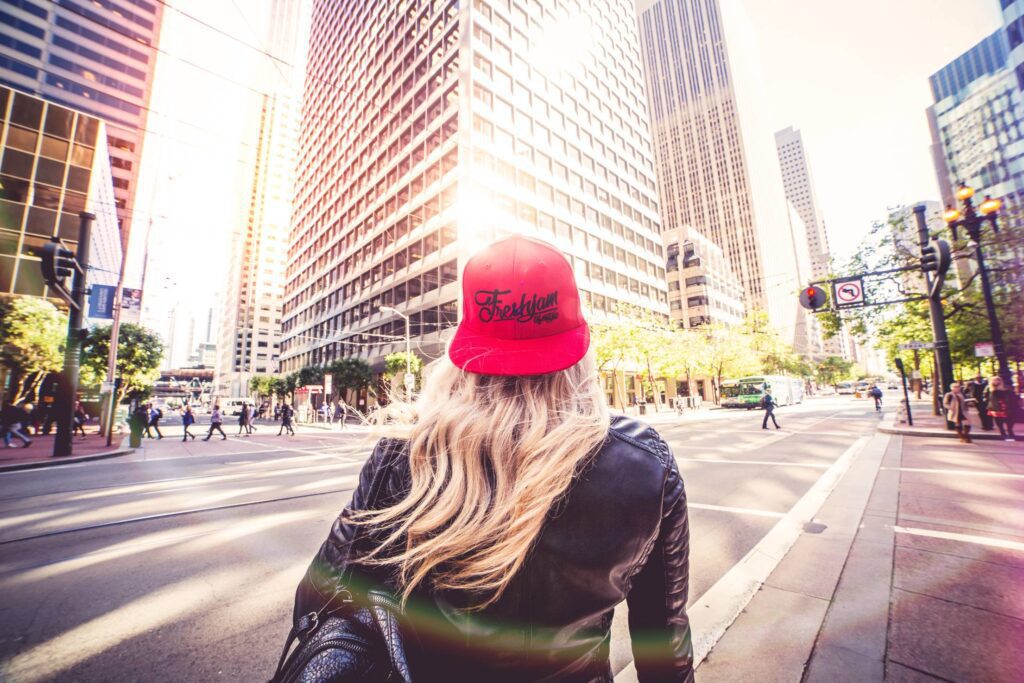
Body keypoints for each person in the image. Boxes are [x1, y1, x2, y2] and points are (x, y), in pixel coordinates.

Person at [286, 236, 693, 681]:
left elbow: (318, 599)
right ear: (580, 350)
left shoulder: (404, 451)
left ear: (464, 353)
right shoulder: (645, 464)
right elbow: (664, 642)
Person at [985, 376, 1018, 441]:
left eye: (998, 380)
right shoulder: (989, 388)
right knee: (998, 420)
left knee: (1010, 419)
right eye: (994, 380)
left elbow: (1012, 395)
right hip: (995, 406)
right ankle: (1002, 432)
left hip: (1006, 405)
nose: (996, 381)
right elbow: (986, 397)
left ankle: (1010, 430)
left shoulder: (1006, 387)